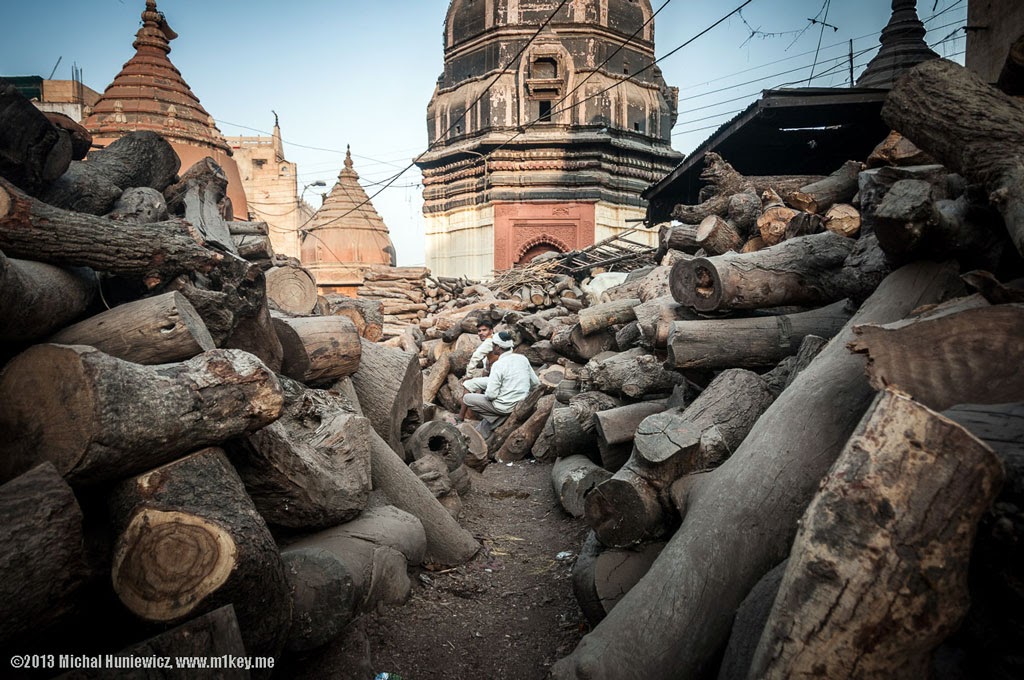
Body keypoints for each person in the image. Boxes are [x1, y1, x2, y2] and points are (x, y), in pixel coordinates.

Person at [461, 331, 539, 437]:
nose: (492, 348)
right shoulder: (522, 359)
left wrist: (486, 397)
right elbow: (535, 383)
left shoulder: (498, 364)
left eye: (493, 345)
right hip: (520, 403)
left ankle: (496, 417)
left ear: (498, 347)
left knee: (467, 398)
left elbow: (491, 395)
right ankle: (493, 420)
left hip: (503, 407)